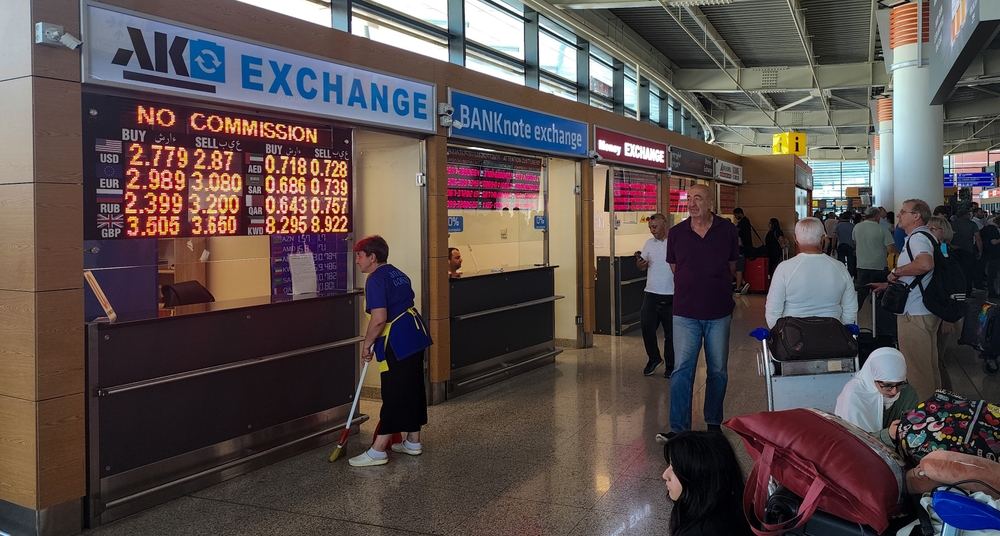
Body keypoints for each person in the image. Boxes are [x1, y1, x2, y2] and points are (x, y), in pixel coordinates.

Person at [657, 184, 740, 442]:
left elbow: (731, 266)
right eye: (689, 198)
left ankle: (713, 423)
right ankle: (678, 429)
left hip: (718, 311)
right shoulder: (676, 233)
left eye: (698, 198)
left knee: (718, 370)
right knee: (682, 370)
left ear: (711, 203)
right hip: (685, 312)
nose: (692, 203)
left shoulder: (728, 230)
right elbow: (675, 266)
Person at [350, 235, 430, 467]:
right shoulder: (397, 273)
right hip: (415, 336)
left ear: (372, 257)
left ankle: (378, 450)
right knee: (412, 388)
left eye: (360, 256)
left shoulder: (375, 279)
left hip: (398, 341)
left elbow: (378, 319)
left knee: (394, 392)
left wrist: (366, 345)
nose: (357, 261)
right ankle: (413, 441)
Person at [870, 199, 940, 400]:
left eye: (903, 211)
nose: (899, 215)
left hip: (914, 312)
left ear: (916, 216)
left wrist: (896, 272)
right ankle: (936, 407)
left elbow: (925, 264)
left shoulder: (917, 238)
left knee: (917, 369)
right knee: (928, 365)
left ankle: (922, 412)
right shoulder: (927, 236)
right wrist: (889, 284)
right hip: (925, 309)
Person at [765, 218, 857, 328]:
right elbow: (850, 307)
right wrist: (842, 329)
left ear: (795, 238)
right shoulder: (840, 267)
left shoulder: (784, 268)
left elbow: (773, 310)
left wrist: (779, 333)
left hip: (792, 334)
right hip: (832, 333)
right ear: (823, 238)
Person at [662, 431, 753, 536]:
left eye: (675, 469)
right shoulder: (740, 504)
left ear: (699, 478)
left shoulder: (700, 531)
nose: (664, 475)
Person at [834, 348, 919, 449]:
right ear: (871, 377)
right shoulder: (853, 396)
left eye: (900, 384)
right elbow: (853, 443)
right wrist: (888, 435)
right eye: (888, 386)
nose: (894, 391)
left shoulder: (907, 392)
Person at [637, 213, 675, 377]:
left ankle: (671, 365)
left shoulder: (674, 242)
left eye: (655, 227)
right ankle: (654, 358)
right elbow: (642, 267)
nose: (652, 230)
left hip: (671, 293)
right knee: (647, 328)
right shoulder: (649, 243)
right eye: (650, 228)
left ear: (664, 225)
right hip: (651, 293)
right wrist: (641, 264)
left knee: (670, 333)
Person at [853, 206, 895, 307]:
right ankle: (876, 312)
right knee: (879, 292)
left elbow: (855, 242)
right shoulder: (882, 229)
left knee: (861, 293)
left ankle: (854, 313)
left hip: (861, 265)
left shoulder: (857, 227)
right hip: (879, 266)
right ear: (877, 217)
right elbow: (891, 250)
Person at [949, 209, 980, 297]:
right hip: (968, 251)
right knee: (967, 273)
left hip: (954, 251)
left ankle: (956, 291)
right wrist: (980, 251)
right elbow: (978, 238)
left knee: (955, 272)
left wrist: (951, 245)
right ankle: (967, 292)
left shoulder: (951, 224)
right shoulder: (972, 224)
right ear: (965, 215)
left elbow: (945, 237)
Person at [733, 207, 752, 294]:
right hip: (743, 249)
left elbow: (739, 239)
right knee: (736, 269)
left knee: (738, 269)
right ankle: (743, 283)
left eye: (736, 215)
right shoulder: (745, 221)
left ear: (740, 214)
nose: (735, 217)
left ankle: (739, 287)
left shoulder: (743, 222)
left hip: (742, 250)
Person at [835, 212, 857, 278]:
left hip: (841, 245)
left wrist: (833, 247)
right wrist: (855, 248)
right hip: (851, 246)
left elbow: (834, 236)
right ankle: (850, 276)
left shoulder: (838, 226)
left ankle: (841, 274)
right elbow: (855, 239)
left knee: (841, 261)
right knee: (851, 263)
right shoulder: (853, 226)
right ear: (850, 218)